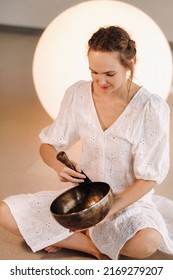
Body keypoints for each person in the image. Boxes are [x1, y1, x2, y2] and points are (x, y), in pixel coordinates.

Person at [0, 26, 173, 260]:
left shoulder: (150, 108)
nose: (100, 81)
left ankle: (74, 236)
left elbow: (148, 179)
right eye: (94, 72)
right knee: (4, 213)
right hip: (84, 200)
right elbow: (48, 146)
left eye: (109, 74)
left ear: (129, 63)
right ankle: (91, 245)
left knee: (147, 242)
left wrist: (107, 210)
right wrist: (58, 167)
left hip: (126, 203)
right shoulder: (78, 94)